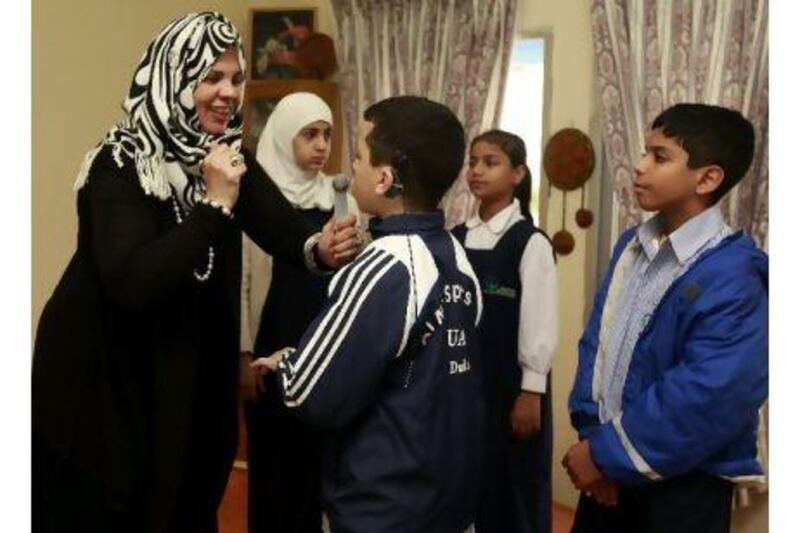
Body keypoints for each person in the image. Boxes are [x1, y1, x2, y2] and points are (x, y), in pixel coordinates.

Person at [31, 12, 359, 533]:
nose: (228, 92)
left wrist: (321, 247)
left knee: (186, 499)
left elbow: (284, 230)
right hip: (105, 384)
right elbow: (132, 282)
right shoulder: (120, 163)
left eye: (234, 78)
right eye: (210, 78)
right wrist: (212, 206)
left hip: (181, 369)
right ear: (174, 79)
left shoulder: (226, 157)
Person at [252, 96, 486, 533]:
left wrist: (287, 363)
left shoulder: (386, 264)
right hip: (445, 500)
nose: (350, 167)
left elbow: (310, 394)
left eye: (358, 156)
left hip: (383, 505)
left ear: (384, 178)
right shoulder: (457, 254)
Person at [563, 103, 768, 533]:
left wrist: (604, 454)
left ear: (708, 178)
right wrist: (590, 435)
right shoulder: (631, 247)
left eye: (659, 157)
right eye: (644, 152)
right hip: (607, 472)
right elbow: (599, 344)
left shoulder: (735, 274)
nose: (639, 167)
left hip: (681, 489)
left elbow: (708, 394)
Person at [240, 91, 357, 533]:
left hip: (321, 349)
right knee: (274, 467)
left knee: (319, 467)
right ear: (286, 134)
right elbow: (244, 282)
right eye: (310, 134)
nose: (322, 145)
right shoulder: (255, 196)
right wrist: (244, 353)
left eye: (326, 134)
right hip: (270, 342)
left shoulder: (340, 196)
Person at [451, 130, 558, 533]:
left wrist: (532, 390)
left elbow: (540, 319)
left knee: (513, 488)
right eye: (473, 161)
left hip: (512, 390)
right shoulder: (455, 239)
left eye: (490, 162)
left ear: (517, 174)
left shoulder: (528, 242)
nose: (477, 170)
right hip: (464, 386)